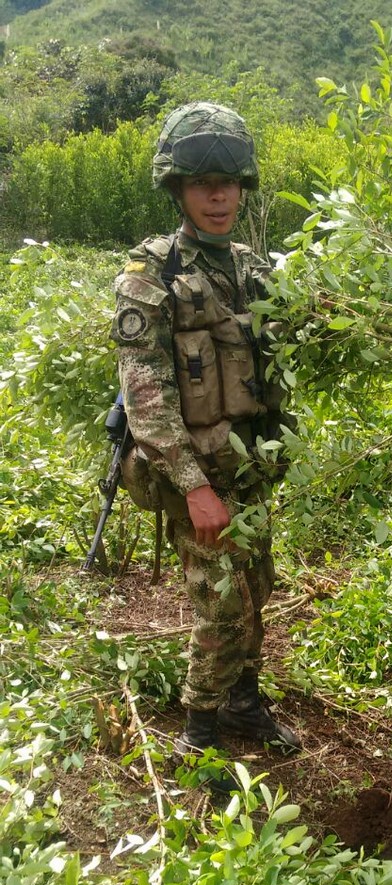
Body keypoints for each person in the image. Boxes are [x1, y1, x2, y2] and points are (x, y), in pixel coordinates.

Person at [112, 102, 300, 755]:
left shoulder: (258, 269)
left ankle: (244, 702)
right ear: (178, 189)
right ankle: (199, 731)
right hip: (195, 472)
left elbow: (284, 358)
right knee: (220, 603)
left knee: (259, 584)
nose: (217, 197)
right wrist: (192, 485)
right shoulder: (151, 273)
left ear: (243, 187)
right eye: (201, 184)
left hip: (249, 465)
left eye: (228, 183)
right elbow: (146, 393)